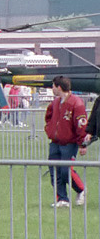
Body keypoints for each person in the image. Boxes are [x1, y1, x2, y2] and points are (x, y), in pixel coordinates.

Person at [43, 76, 88, 208]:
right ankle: (62, 199)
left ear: (59, 87)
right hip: (55, 142)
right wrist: (49, 129)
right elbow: (49, 117)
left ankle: (81, 190)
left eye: (53, 86)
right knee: (54, 171)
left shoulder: (76, 103)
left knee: (65, 171)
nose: (52, 89)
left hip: (69, 143)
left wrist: (82, 144)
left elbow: (81, 124)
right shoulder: (55, 102)